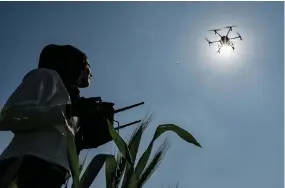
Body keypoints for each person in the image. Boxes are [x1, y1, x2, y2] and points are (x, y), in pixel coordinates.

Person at [0, 44, 114, 188]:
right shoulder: (46, 76)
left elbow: (65, 142)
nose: (90, 71)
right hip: (23, 166)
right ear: (73, 61)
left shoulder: (72, 100)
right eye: (87, 64)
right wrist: (70, 111)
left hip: (55, 175)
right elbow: (8, 117)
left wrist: (97, 134)